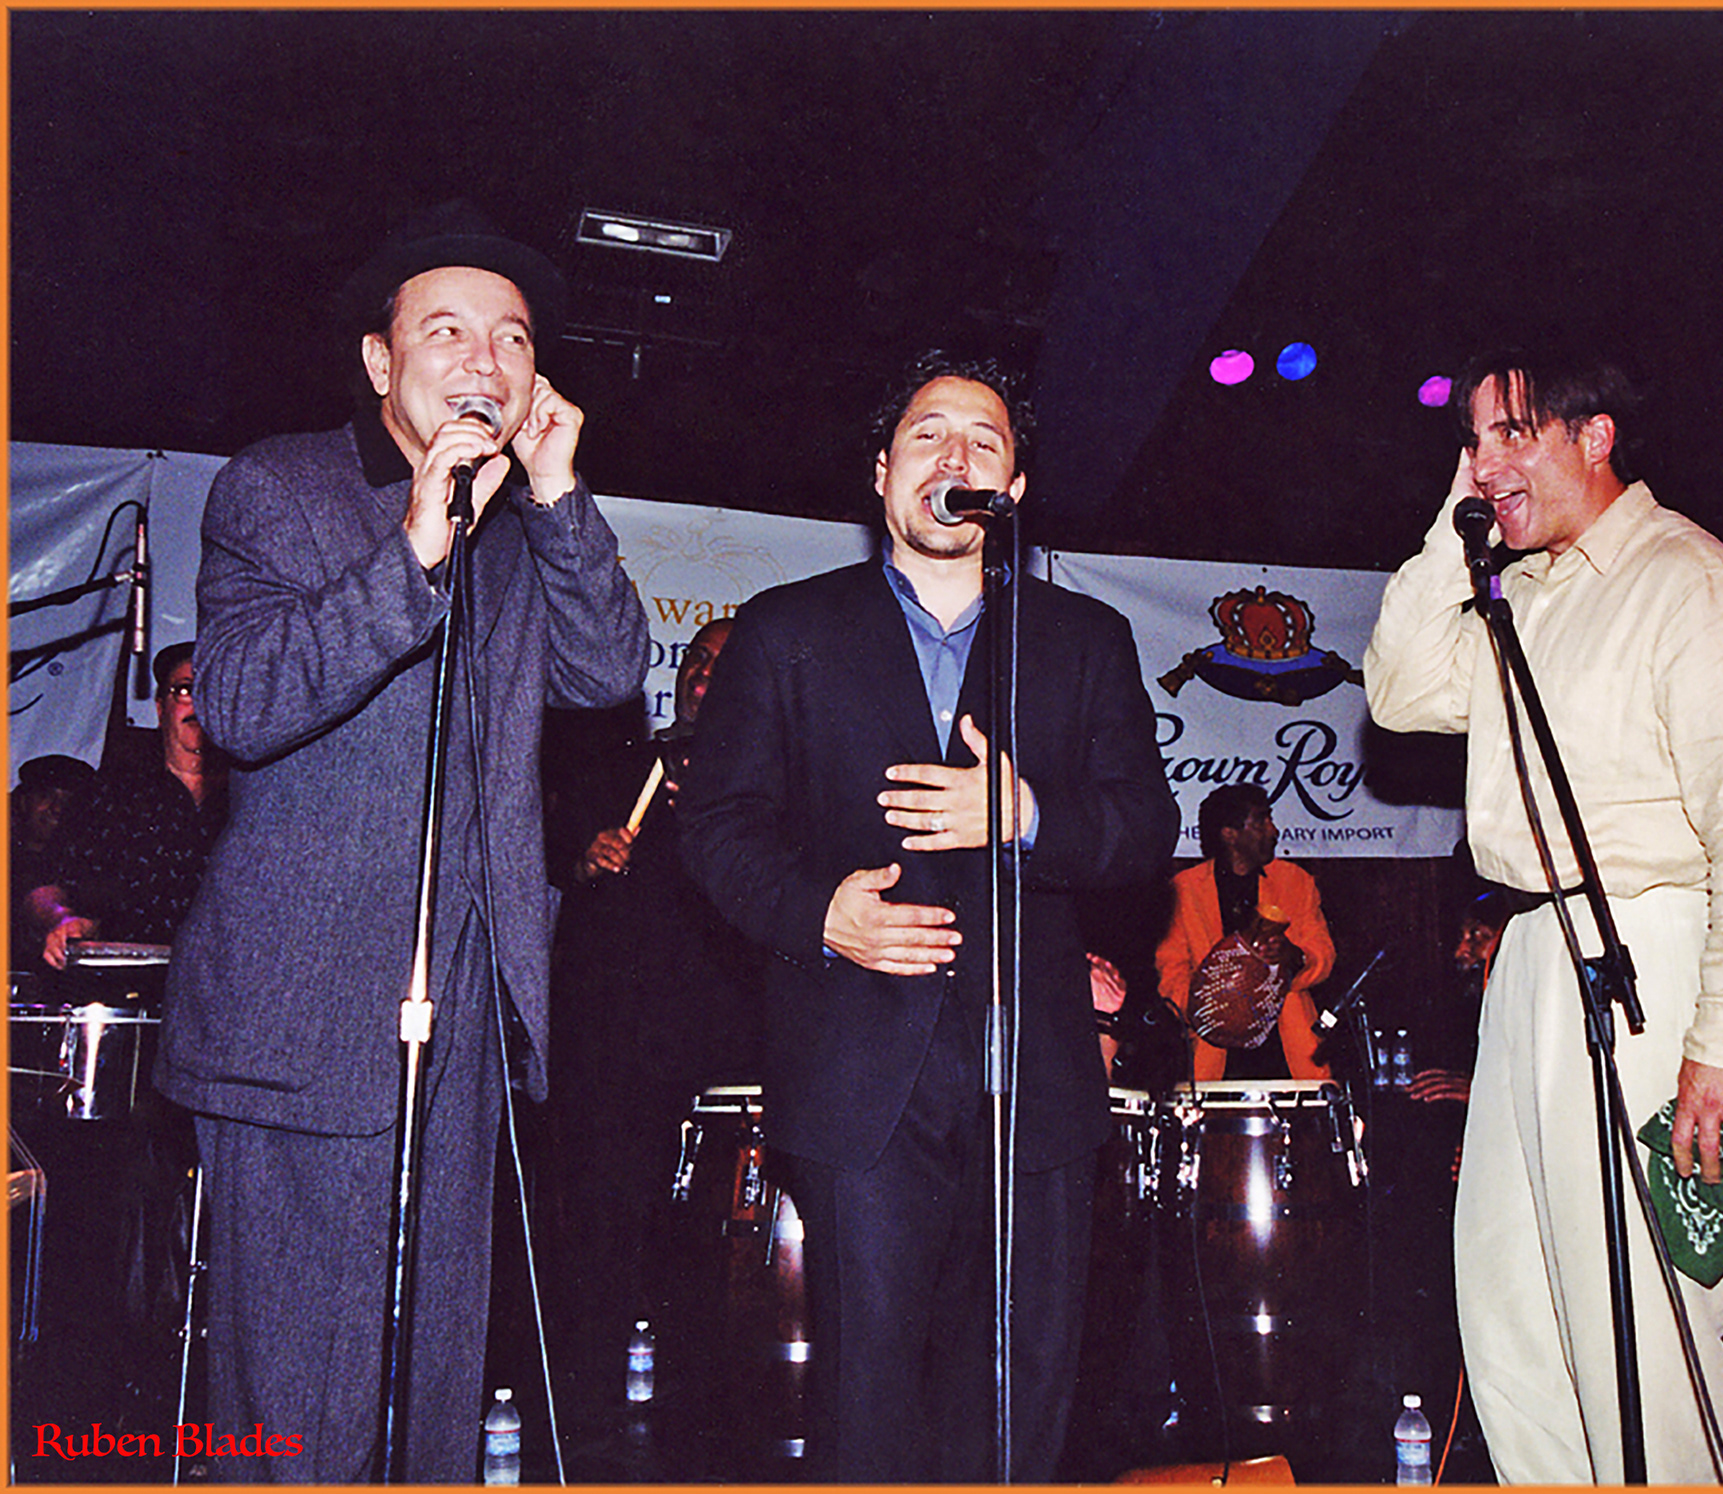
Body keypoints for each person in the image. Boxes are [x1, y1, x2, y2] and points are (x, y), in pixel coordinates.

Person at [153, 201, 649, 1482]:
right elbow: (241, 704)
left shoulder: (527, 523)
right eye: (448, 332)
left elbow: (607, 671)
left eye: (514, 340)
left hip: (463, 1024)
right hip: (303, 1023)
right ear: (381, 360)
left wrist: (559, 494)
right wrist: (416, 551)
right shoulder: (281, 487)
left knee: (429, 1401)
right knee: (295, 1413)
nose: (486, 359)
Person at [676, 351, 1178, 1481]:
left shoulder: (1082, 639)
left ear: (1014, 488)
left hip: (1037, 1077)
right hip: (858, 1073)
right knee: (871, 1409)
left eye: (983, 442)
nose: (955, 456)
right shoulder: (787, 629)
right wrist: (820, 914)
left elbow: (1146, 828)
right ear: (881, 472)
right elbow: (715, 827)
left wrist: (1028, 813)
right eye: (928, 435)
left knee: (1020, 1404)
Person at [1364, 346, 1723, 1482]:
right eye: (1471, 441)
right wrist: (1463, 515)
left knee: (1647, 1335)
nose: (1484, 462)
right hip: (1532, 954)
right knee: (1515, 1318)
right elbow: (1400, 688)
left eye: (1512, 433)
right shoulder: (1523, 596)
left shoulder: (1688, 581)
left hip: (1648, 951)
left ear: (1595, 435)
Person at [538, 615, 761, 1412]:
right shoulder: (626, 763)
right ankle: (587, 1406)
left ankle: (699, 1410)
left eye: (720, 664)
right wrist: (583, 857)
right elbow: (546, 845)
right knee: (600, 1222)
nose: (701, 672)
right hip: (614, 1041)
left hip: (716, 1050)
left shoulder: (762, 783)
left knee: (701, 1235)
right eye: (695, 658)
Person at [26, 643, 227, 970]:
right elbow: (45, 886)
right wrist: (64, 922)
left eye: (213, 691)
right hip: (126, 983)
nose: (199, 704)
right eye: (185, 690)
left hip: (227, 985)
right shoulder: (110, 794)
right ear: (160, 709)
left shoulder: (255, 798)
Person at [1153, 782, 1335, 1082]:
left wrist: (1293, 957)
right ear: (1230, 834)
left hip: (1289, 1059)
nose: (1274, 830)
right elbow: (1171, 976)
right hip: (1214, 1060)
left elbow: (1324, 955)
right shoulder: (1184, 890)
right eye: (1261, 822)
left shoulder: (1296, 881)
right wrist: (1217, 1011)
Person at [9, 753, 94, 966]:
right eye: (46, 796)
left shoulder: (87, 865)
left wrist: (66, 923)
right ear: (23, 801)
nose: (57, 808)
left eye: (69, 800)